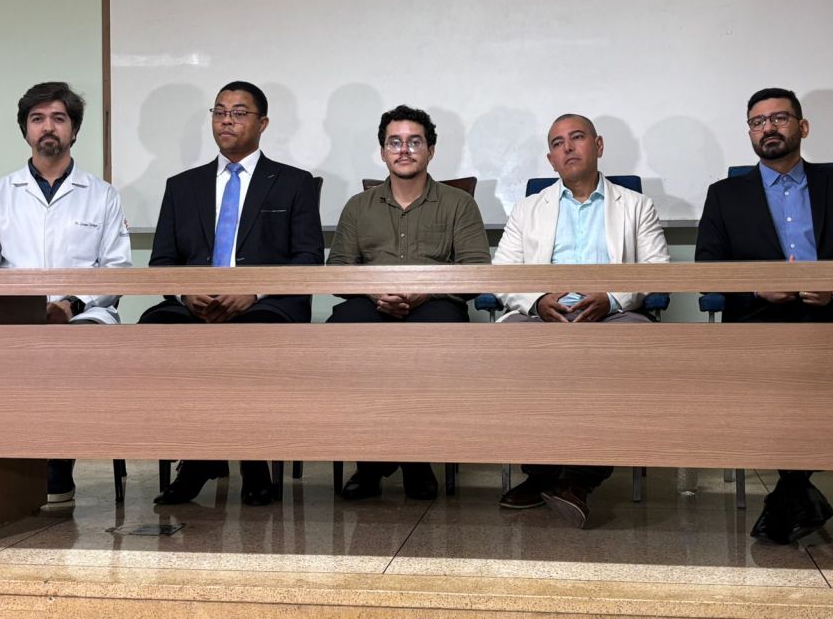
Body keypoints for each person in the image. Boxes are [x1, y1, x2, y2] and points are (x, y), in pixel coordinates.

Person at [695, 86, 833, 544]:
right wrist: (757, 286)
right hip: (760, 319)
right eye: (757, 122)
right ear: (749, 133)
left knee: (815, 366)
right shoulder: (724, 194)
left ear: (802, 127)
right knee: (783, 369)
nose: (769, 128)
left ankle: (790, 494)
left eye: (779, 118)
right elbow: (706, 269)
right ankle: (798, 494)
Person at [142, 80, 323, 506]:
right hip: (197, 307)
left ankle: (240, 462)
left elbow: (309, 258)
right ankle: (205, 454)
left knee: (247, 340)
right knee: (155, 328)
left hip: (267, 305)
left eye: (239, 113)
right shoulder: (182, 186)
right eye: (219, 112)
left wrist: (254, 291)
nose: (227, 120)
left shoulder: (294, 183)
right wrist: (187, 293)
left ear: (263, 123)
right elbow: (162, 263)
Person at [492, 113, 670, 528]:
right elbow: (502, 274)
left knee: (629, 352)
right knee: (503, 348)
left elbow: (658, 270)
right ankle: (542, 473)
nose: (568, 148)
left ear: (598, 145)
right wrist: (537, 302)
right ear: (550, 159)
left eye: (577, 138)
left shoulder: (636, 205)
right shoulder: (527, 209)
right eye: (557, 143)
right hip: (543, 316)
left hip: (613, 315)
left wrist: (611, 299)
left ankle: (578, 479)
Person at [0, 81, 132, 503]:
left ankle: (55, 460)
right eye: (37, 119)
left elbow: (116, 271)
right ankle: (0, 466)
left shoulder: (102, 196)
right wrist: (22, 308)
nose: (48, 127)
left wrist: (69, 305)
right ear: (25, 129)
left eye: (59, 118)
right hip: (16, 316)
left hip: (84, 316)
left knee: (65, 351)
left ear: (74, 129)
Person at [326, 104, 490, 501]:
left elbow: (475, 270)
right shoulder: (358, 206)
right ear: (382, 152)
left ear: (431, 150)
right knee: (339, 337)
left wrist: (425, 290)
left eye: (414, 142)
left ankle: (415, 459)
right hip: (370, 303)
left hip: (436, 303)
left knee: (435, 342)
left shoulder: (458, 203)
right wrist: (373, 292)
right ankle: (370, 460)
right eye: (394, 143)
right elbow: (338, 270)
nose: (404, 150)